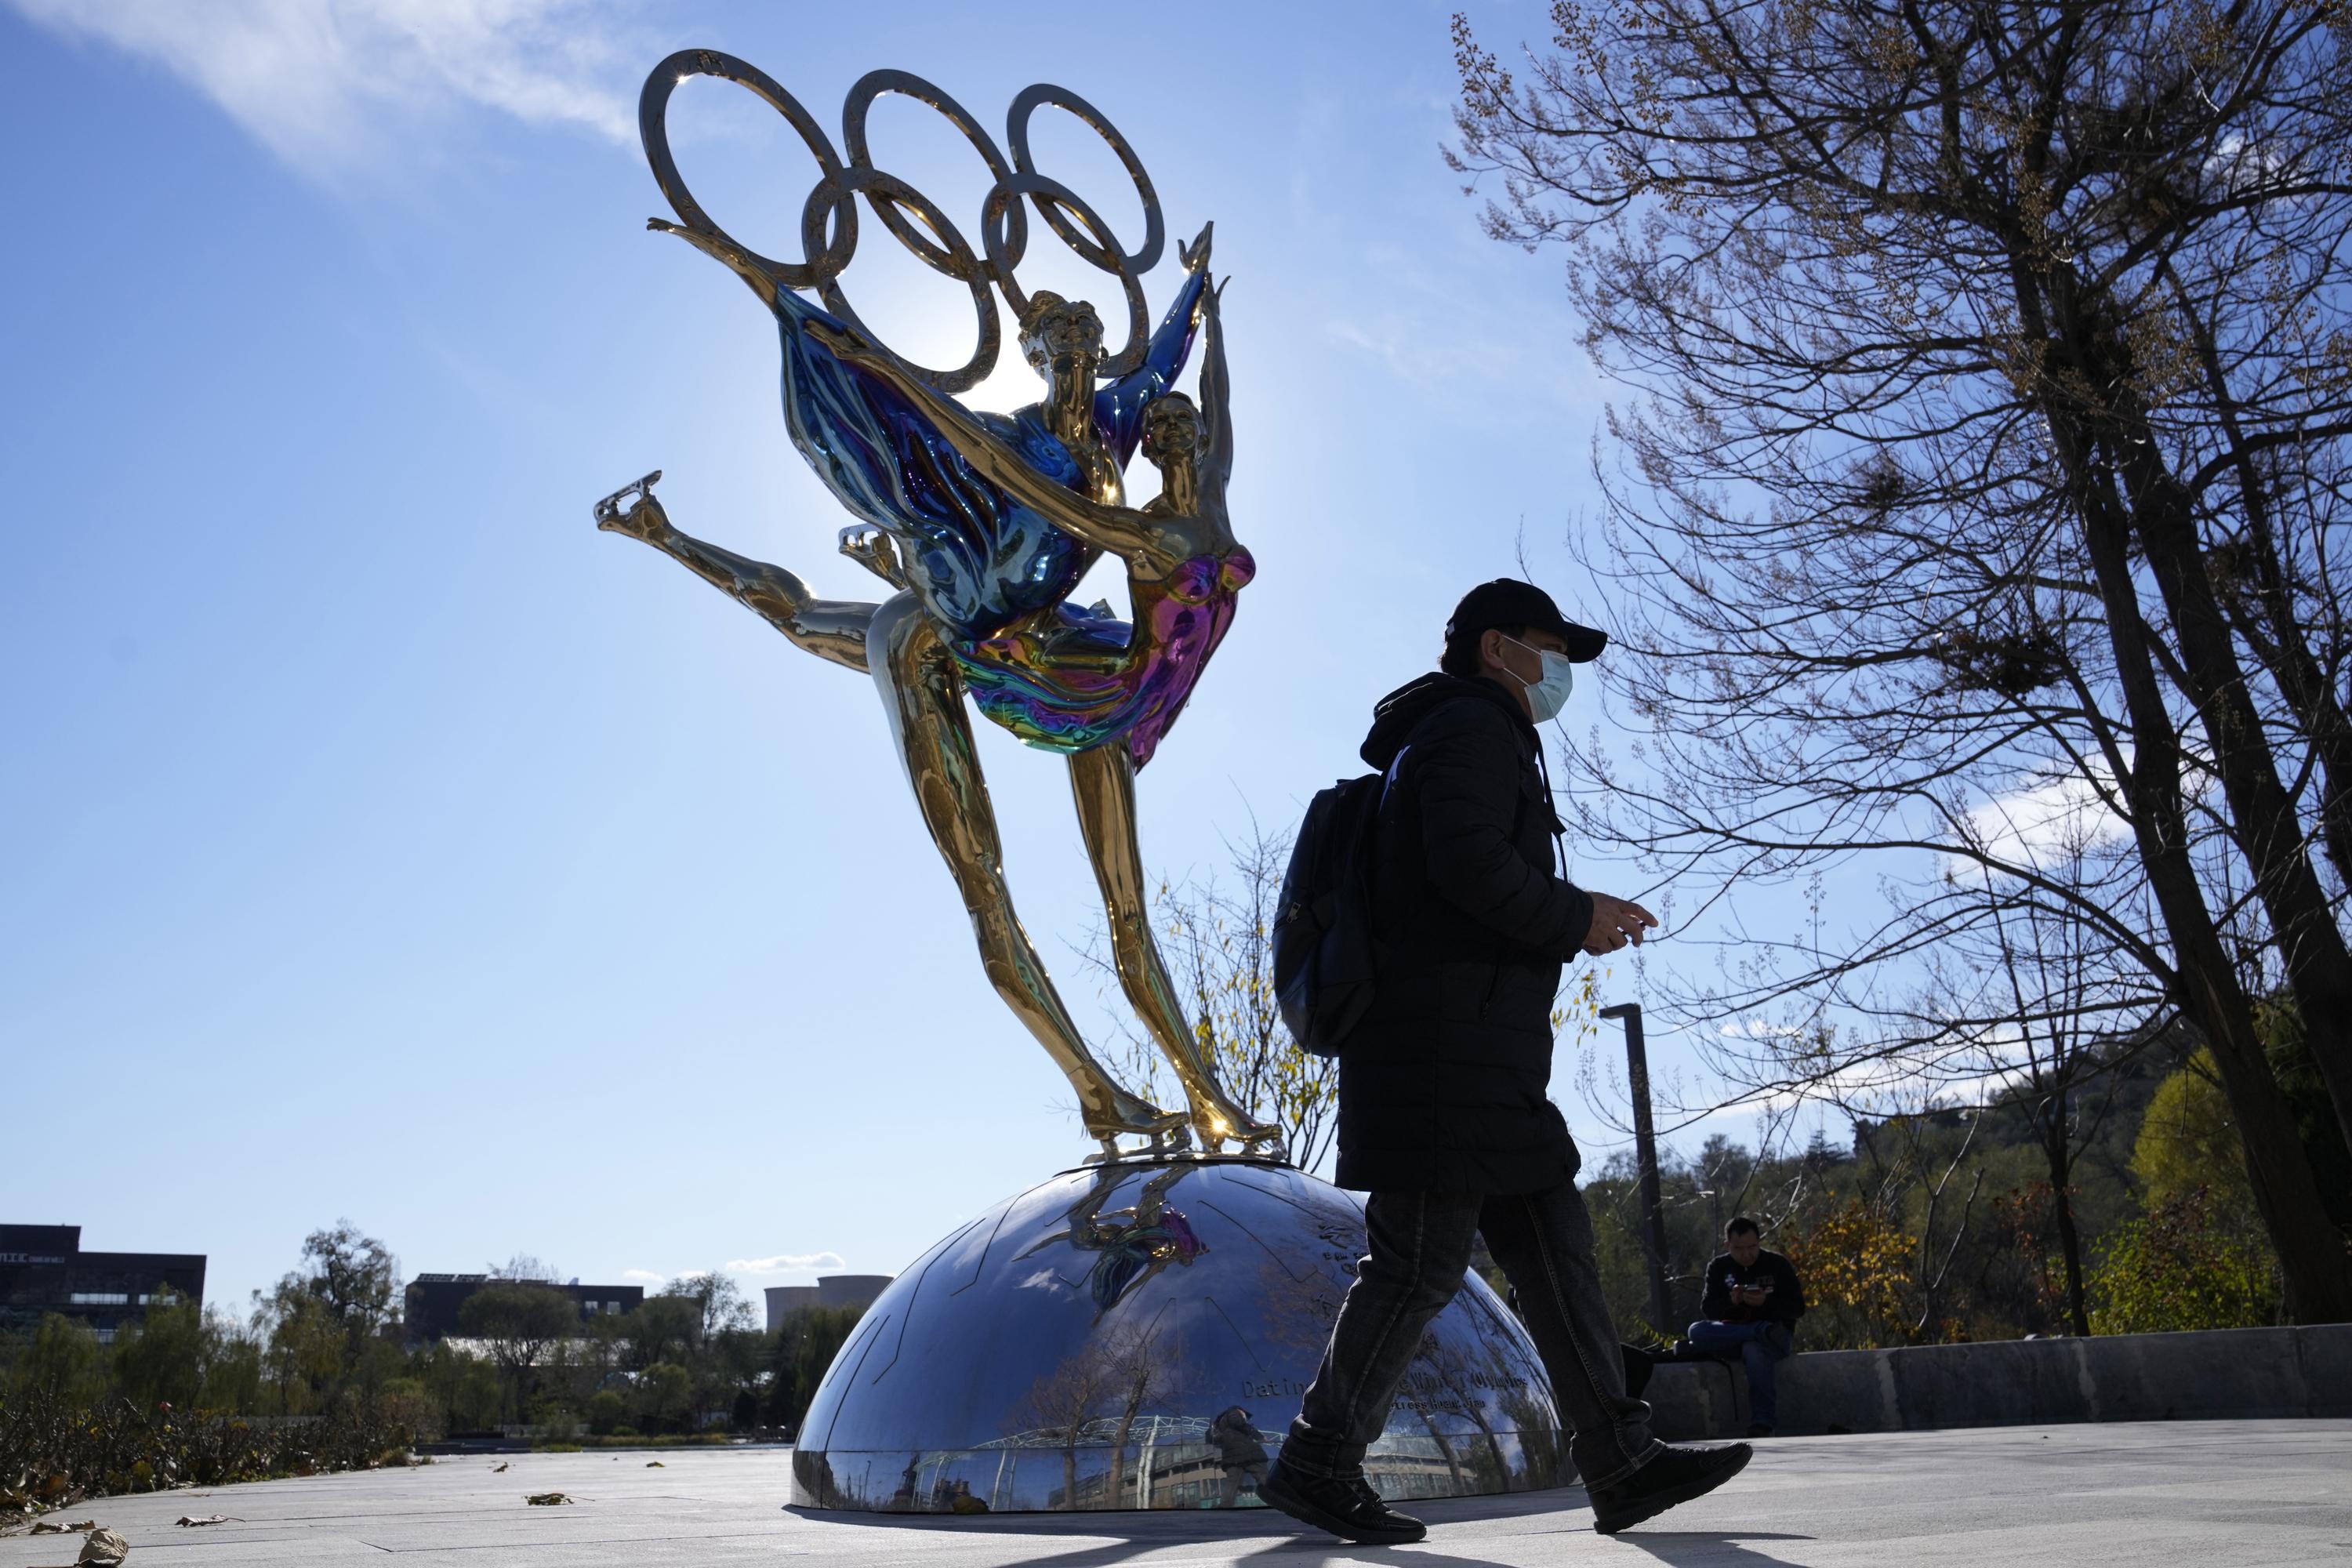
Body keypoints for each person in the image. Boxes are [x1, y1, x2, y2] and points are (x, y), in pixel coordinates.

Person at [1258, 580, 1754, 1544]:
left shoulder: (1462, 735)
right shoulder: (1471, 730)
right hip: (1441, 1055)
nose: (1563, 668)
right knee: (1416, 1266)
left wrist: (1572, 912)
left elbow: (1467, 868)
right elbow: (1466, 865)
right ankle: (1317, 1458)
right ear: (1498, 647)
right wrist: (1580, 915)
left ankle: (1620, 1457)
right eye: (1550, 646)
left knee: (1554, 1248)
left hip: (1478, 1059)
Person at [1689, 1216, 1806, 1437]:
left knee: (1753, 1348)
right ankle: (1758, 1329)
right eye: (1739, 1249)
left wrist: (1766, 1303)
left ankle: (1762, 1423)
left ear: (1759, 1241)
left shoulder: (1777, 1264)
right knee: (1696, 1331)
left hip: (1775, 1338)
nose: (1747, 1254)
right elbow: (1709, 1309)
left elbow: (1798, 1308)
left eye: (1752, 1247)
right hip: (1733, 1336)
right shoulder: (1718, 1267)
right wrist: (1732, 1302)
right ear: (1727, 1246)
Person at [1208, 1406, 1269, 1507]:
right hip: (1248, 1453)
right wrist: (1259, 1436)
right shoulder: (1233, 1412)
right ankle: (1275, 1502)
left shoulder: (1220, 1426)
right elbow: (1239, 1423)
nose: (1245, 1418)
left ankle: (1224, 1507)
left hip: (1231, 1458)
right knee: (1264, 1476)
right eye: (1244, 1415)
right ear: (1240, 1411)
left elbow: (1214, 1441)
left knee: (1231, 1484)